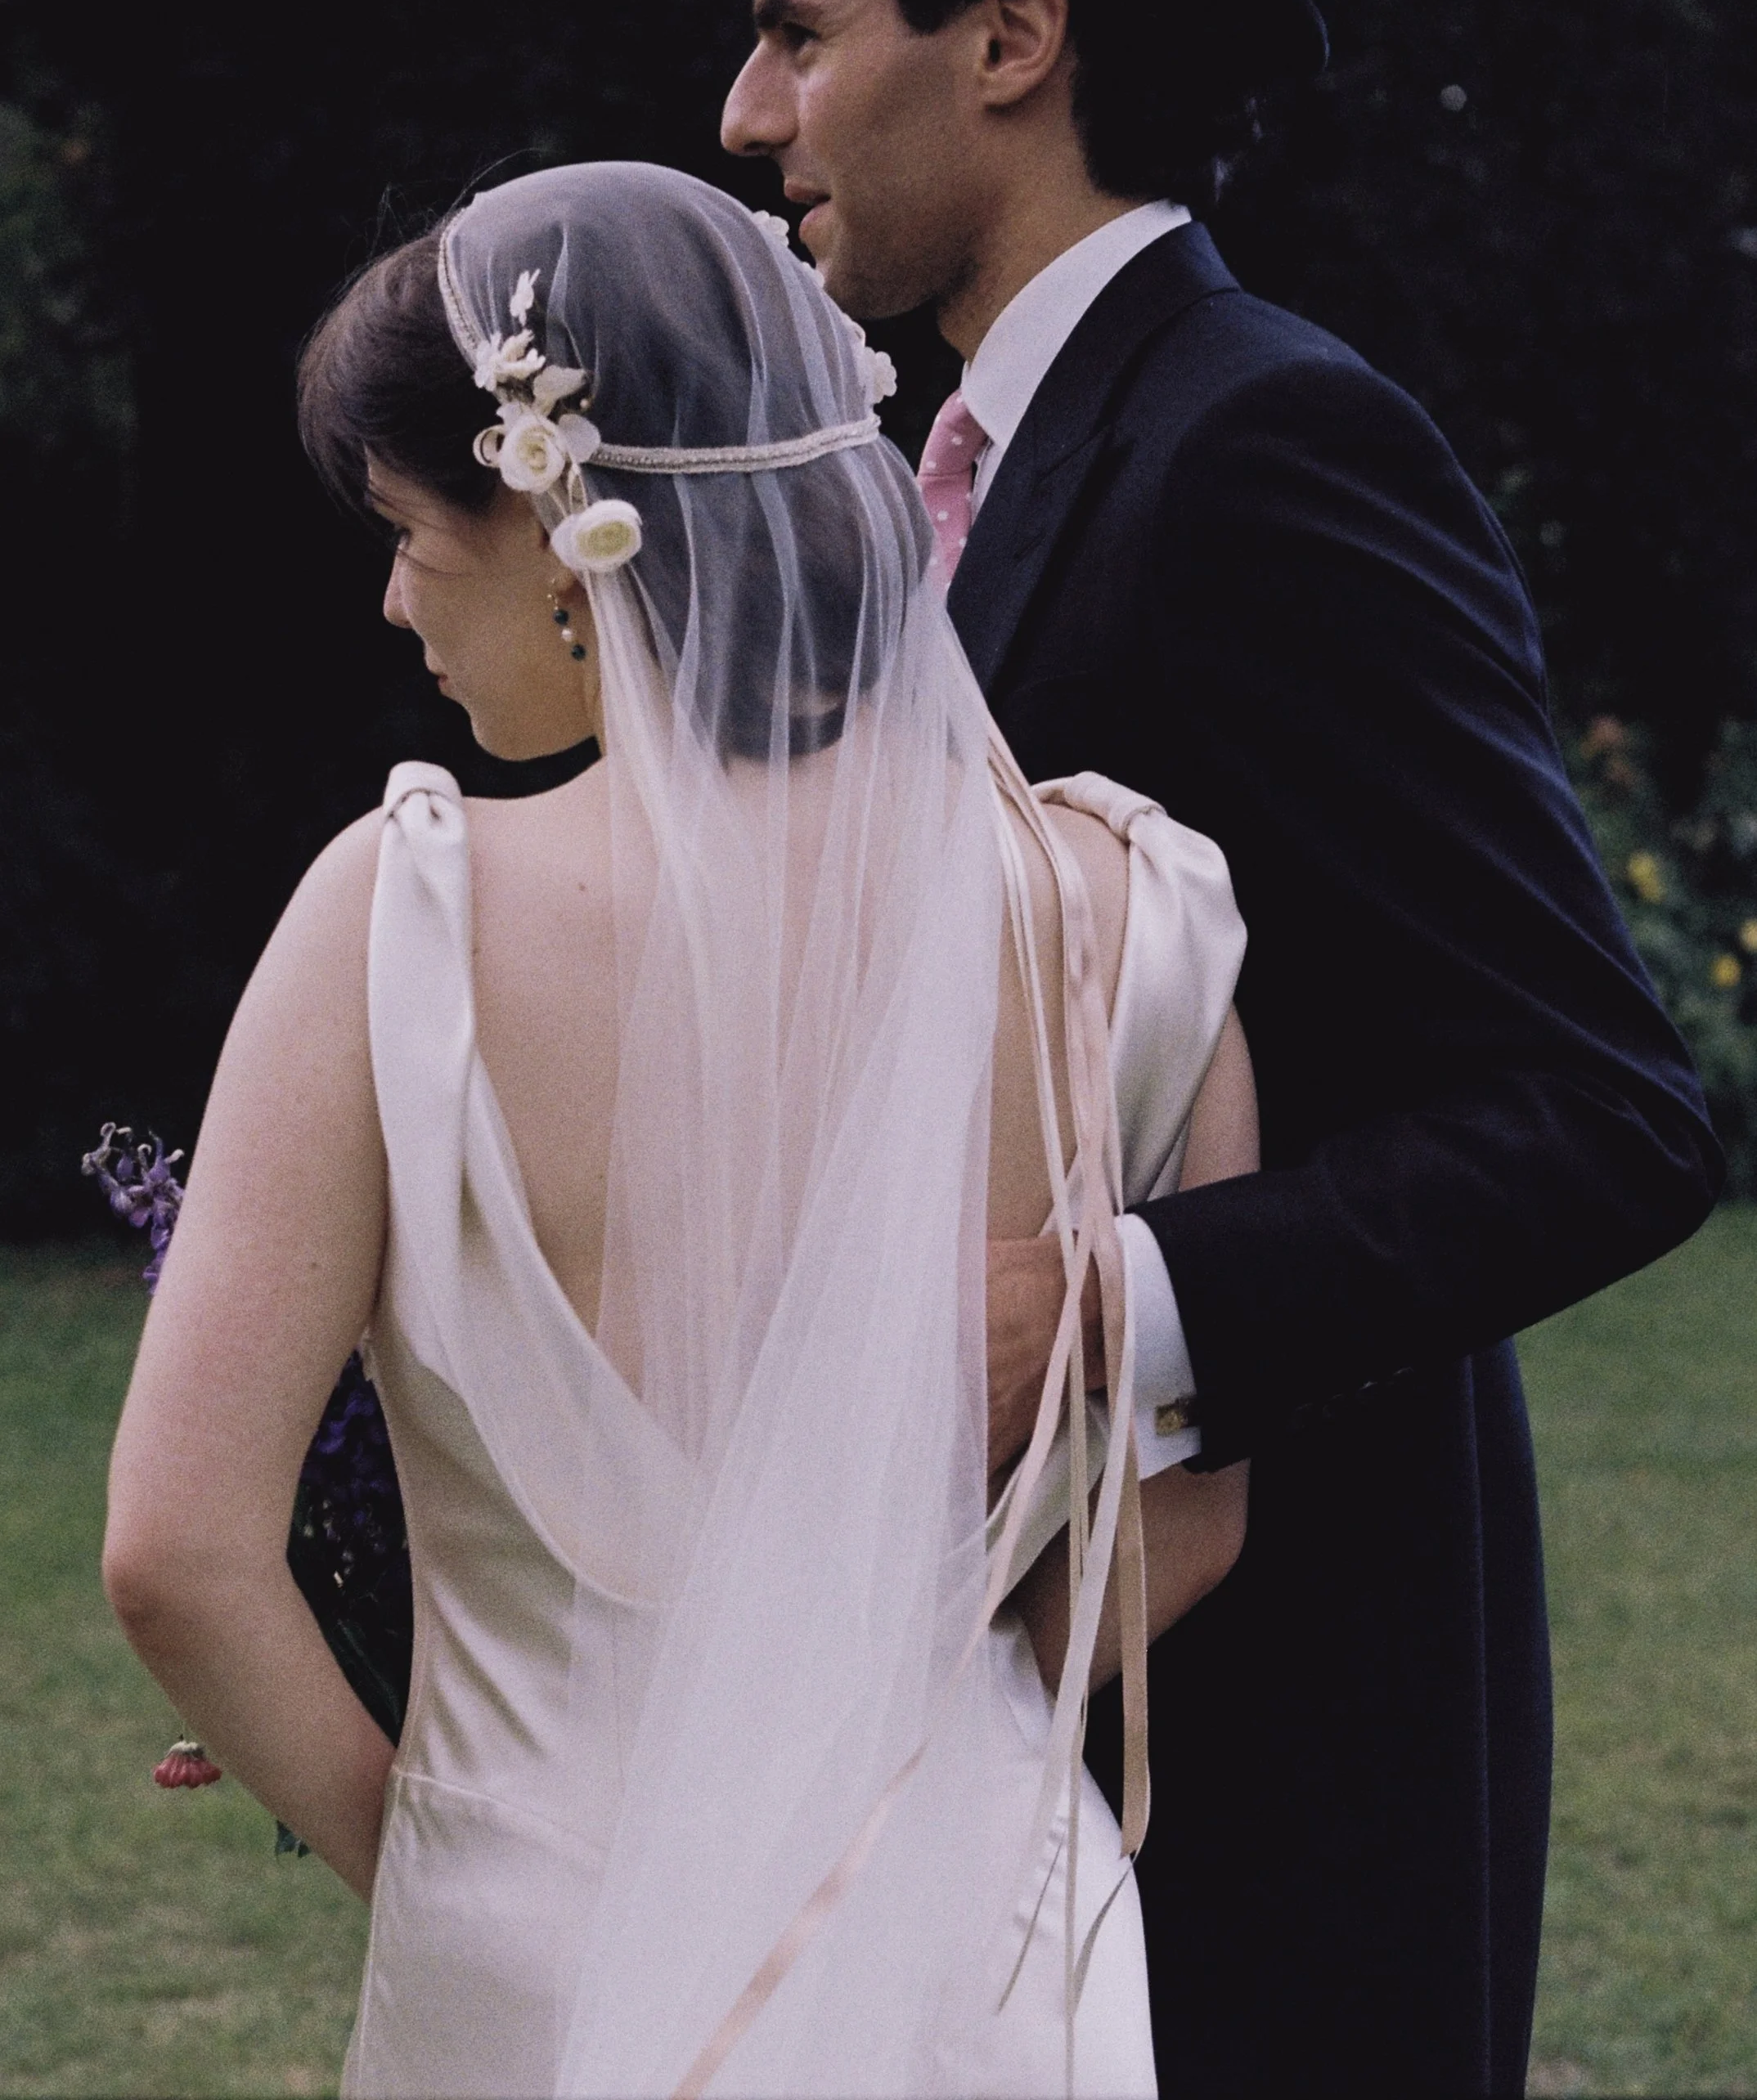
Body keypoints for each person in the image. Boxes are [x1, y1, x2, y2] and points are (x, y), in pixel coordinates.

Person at [672, 0, 1724, 2097]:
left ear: (1011, 41)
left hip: (1270, 1766)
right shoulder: (954, 488)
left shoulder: (1267, 448)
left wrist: (1111, 1310)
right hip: (990, 1730)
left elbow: (1600, 1114)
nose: (742, 113)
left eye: (800, 30)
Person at [103, 158, 1262, 2095]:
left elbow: (173, 1549)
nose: (391, 598)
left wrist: (434, 1850)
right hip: (975, 1935)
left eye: (403, 530)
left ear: (563, 529)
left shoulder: (404, 919)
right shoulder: (1128, 915)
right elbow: (1187, 1521)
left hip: (533, 1937)